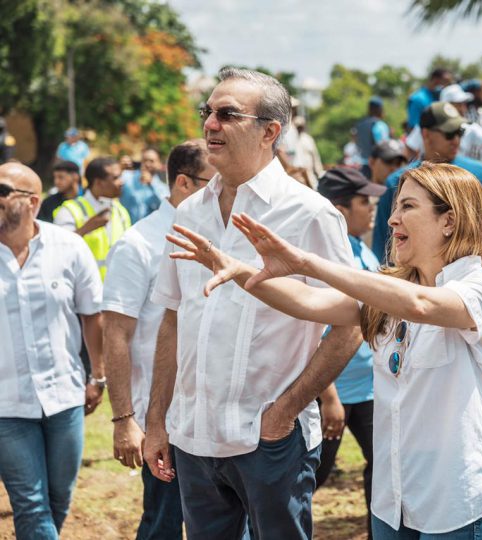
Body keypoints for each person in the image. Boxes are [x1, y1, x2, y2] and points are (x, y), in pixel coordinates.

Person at [167, 161, 482, 539]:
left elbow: (421, 305)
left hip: (456, 505)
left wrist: (307, 262)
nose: (393, 219)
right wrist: (238, 270)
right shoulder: (388, 294)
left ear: (450, 220)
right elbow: (308, 302)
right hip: (393, 503)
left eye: (408, 207)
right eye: (394, 207)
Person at [142, 68, 360, 540]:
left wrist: (286, 411)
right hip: (194, 436)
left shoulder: (308, 213)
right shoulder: (189, 212)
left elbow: (352, 323)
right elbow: (173, 319)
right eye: (208, 112)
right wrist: (157, 420)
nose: (210, 124)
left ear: (270, 131)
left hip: (269, 441)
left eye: (227, 114)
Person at [102, 140, 215, 540]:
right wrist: (123, 420)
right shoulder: (140, 244)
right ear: (184, 183)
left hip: (216, 415)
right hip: (163, 416)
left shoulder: (223, 236)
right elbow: (115, 332)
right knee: (164, 524)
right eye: (213, 182)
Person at [0, 162, 104, 539]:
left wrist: (98, 376)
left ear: (32, 202)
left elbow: (92, 316)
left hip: (65, 396)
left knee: (59, 498)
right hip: (6, 406)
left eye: (2, 190)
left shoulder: (69, 247)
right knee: (30, 502)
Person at [375, 102, 482, 304]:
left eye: (460, 132)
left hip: (472, 298)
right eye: (449, 133)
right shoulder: (399, 182)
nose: (456, 139)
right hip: (411, 297)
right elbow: (384, 247)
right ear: (426, 134)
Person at [314, 167, 387, 540]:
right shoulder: (319, 258)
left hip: (370, 389)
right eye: (363, 201)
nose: (372, 208)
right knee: (312, 475)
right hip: (333, 392)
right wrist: (329, 397)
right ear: (339, 210)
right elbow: (310, 335)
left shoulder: (362, 247)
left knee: (386, 468)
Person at [54, 156, 131, 280]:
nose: (121, 182)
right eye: (116, 178)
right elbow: (57, 251)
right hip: (81, 290)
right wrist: (85, 229)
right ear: (98, 182)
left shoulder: (121, 211)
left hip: (115, 291)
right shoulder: (69, 211)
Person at [405, 88, 482, 163]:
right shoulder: (427, 125)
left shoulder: (470, 127)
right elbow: (409, 149)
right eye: (458, 104)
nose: (463, 108)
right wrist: (413, 168)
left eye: (459, 133)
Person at [120, 147, 171, 224]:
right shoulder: (127, 177)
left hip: (148, 233)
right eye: (144, 160)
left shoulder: (163, 188)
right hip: (126, 230)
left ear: (159, 164)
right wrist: (119, 168)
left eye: (151, 161)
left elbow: (166, 207)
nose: (147, 164)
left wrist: (152, 184)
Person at [356, 97, 391, 177]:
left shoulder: (360, 125)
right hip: (377, 168)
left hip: (362, 168)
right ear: (380, 109)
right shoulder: (380, 125)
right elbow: (385, 149)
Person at [290, 116, 324, 188]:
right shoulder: (290, 140)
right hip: (296, 175)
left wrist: (319, 172)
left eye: (301, 126)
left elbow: (315, 157)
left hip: (310, 174)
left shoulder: (308, 139)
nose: (299, 128)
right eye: (298, 126)